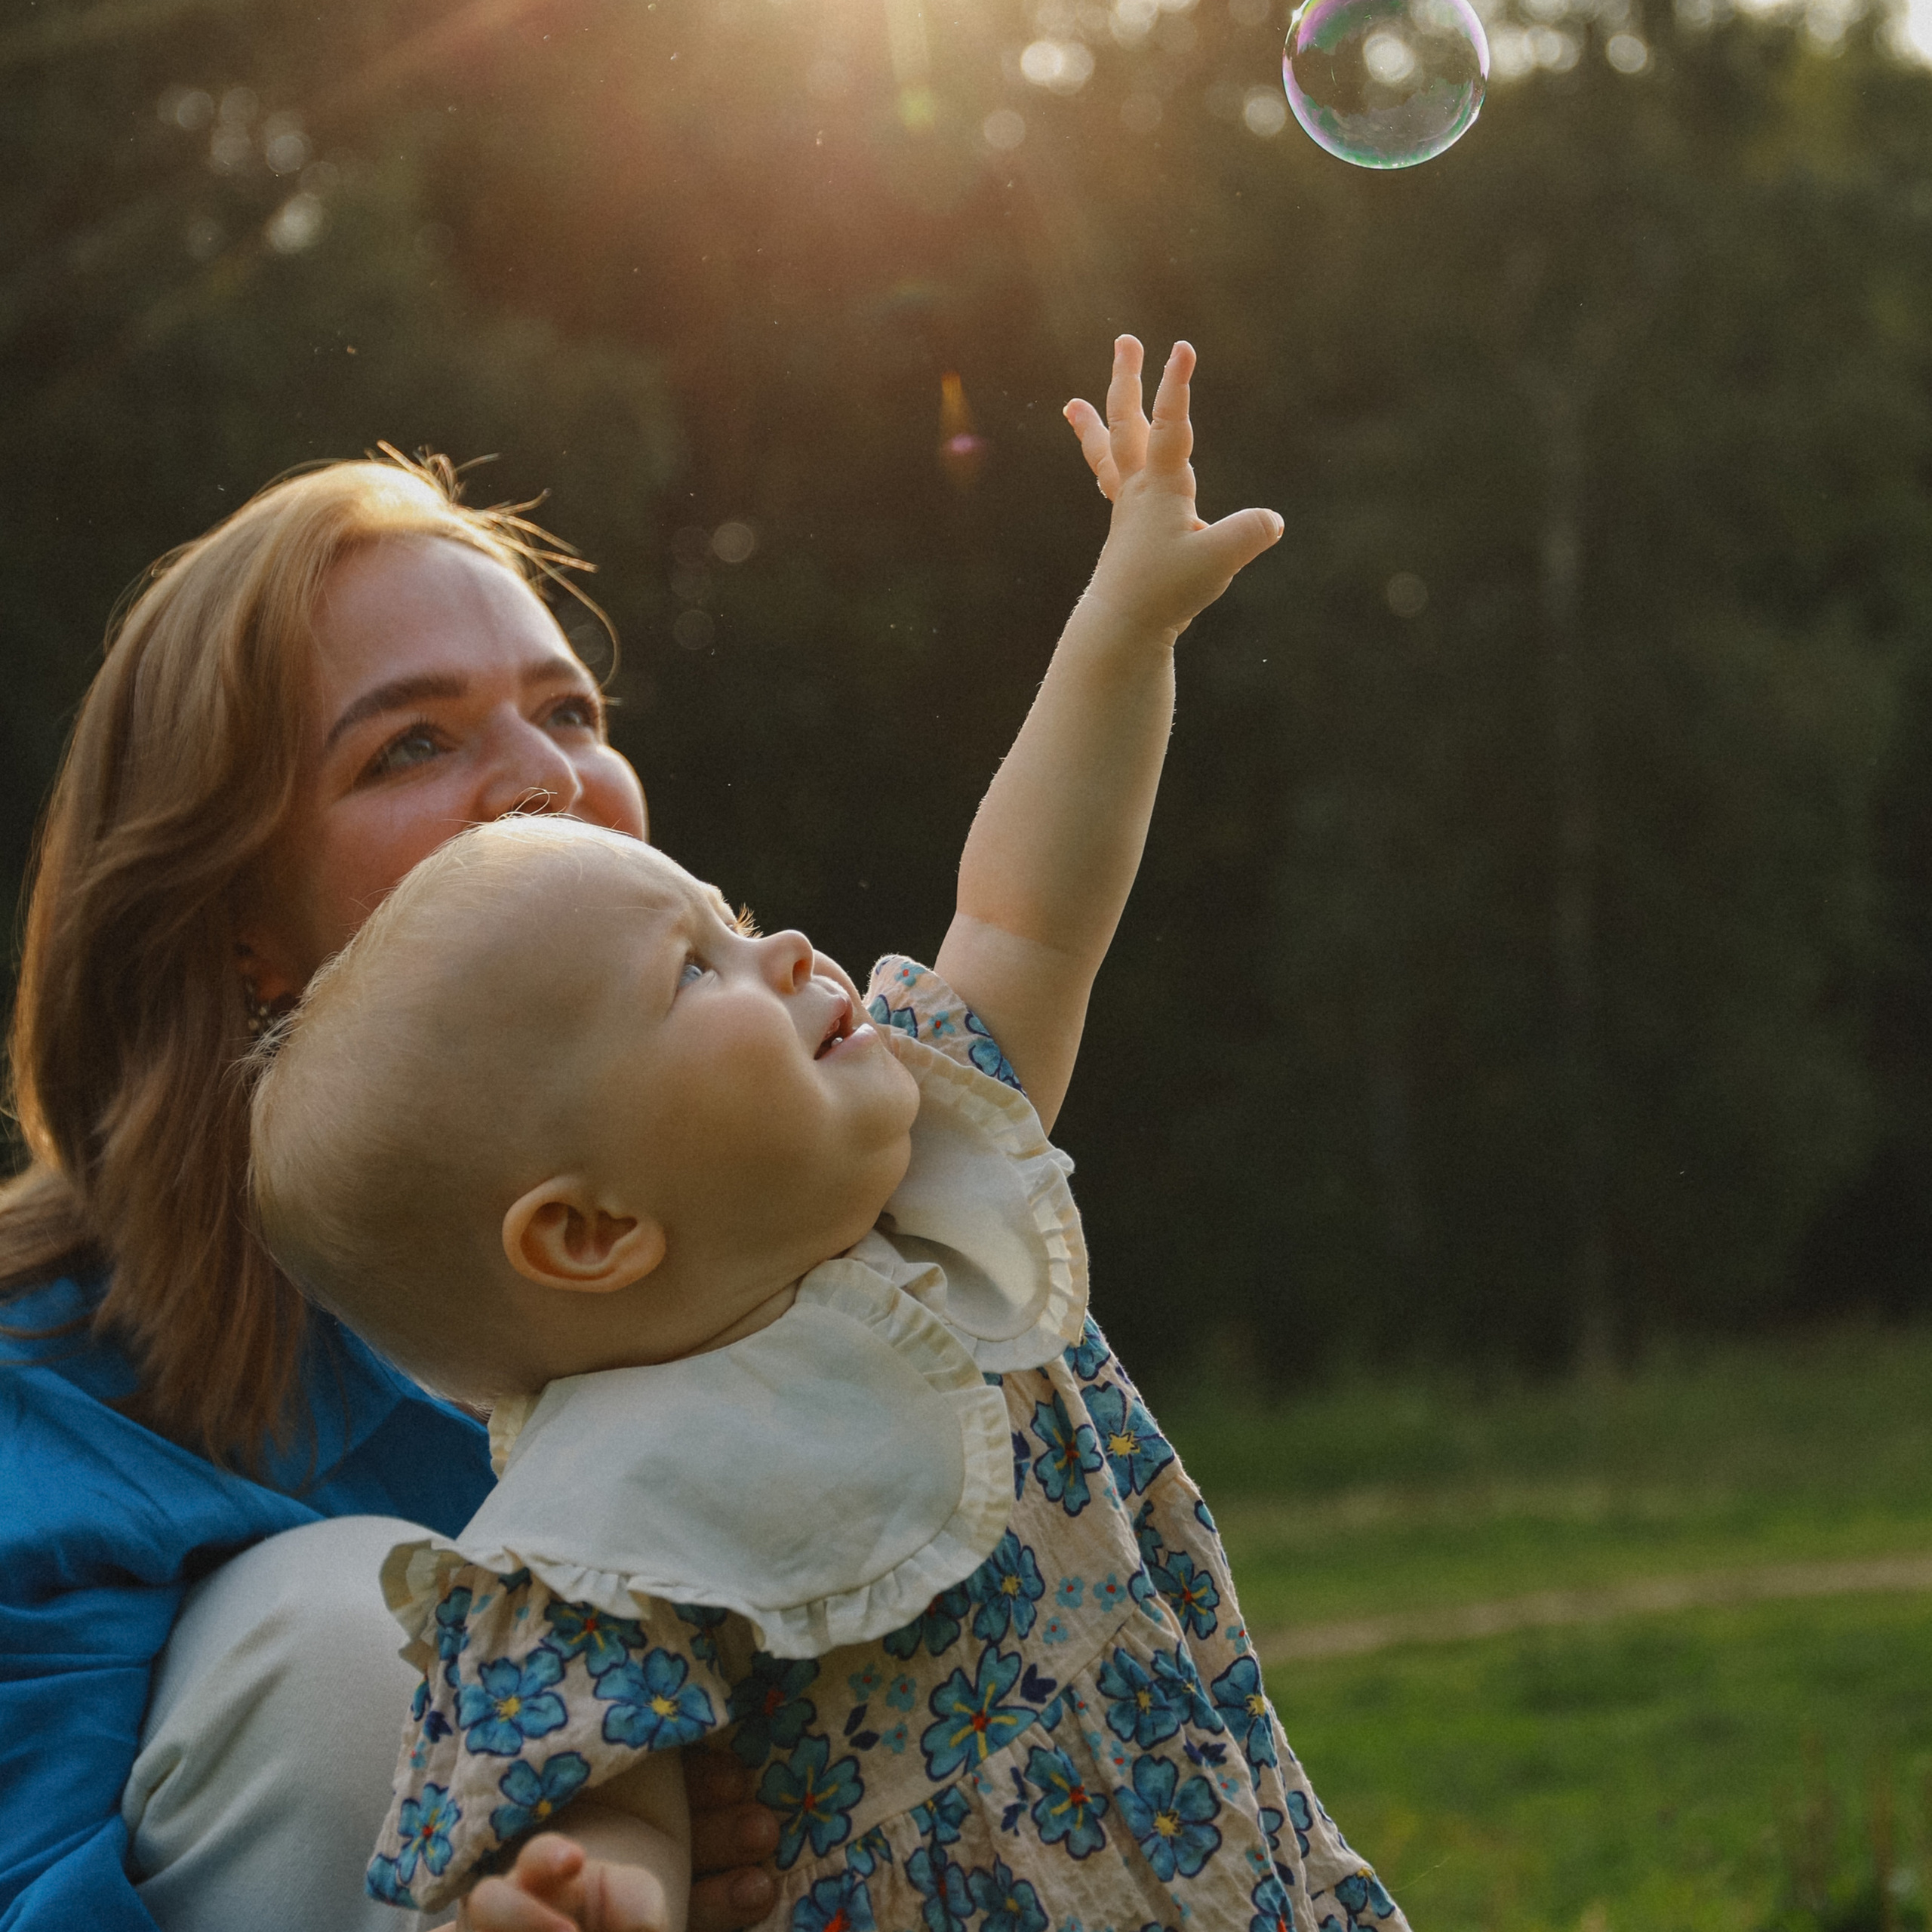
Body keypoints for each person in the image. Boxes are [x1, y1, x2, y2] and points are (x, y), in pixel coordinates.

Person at [248, 340, 1410, 1932]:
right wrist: (593, 1893)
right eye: (698, 969)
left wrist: (1121, 621)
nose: (785, 947)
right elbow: (623, 1794)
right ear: (590, 1228)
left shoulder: (912, 1183)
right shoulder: (607, 1524)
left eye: (731, 917)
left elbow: (1024, 905)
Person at [0, 454, 780, 1932]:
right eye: (411, 743)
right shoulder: (50, 1401)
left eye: (567, 710)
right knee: (360, 1629)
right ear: (243, 927)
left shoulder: (790, 1224)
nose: (553, 777)